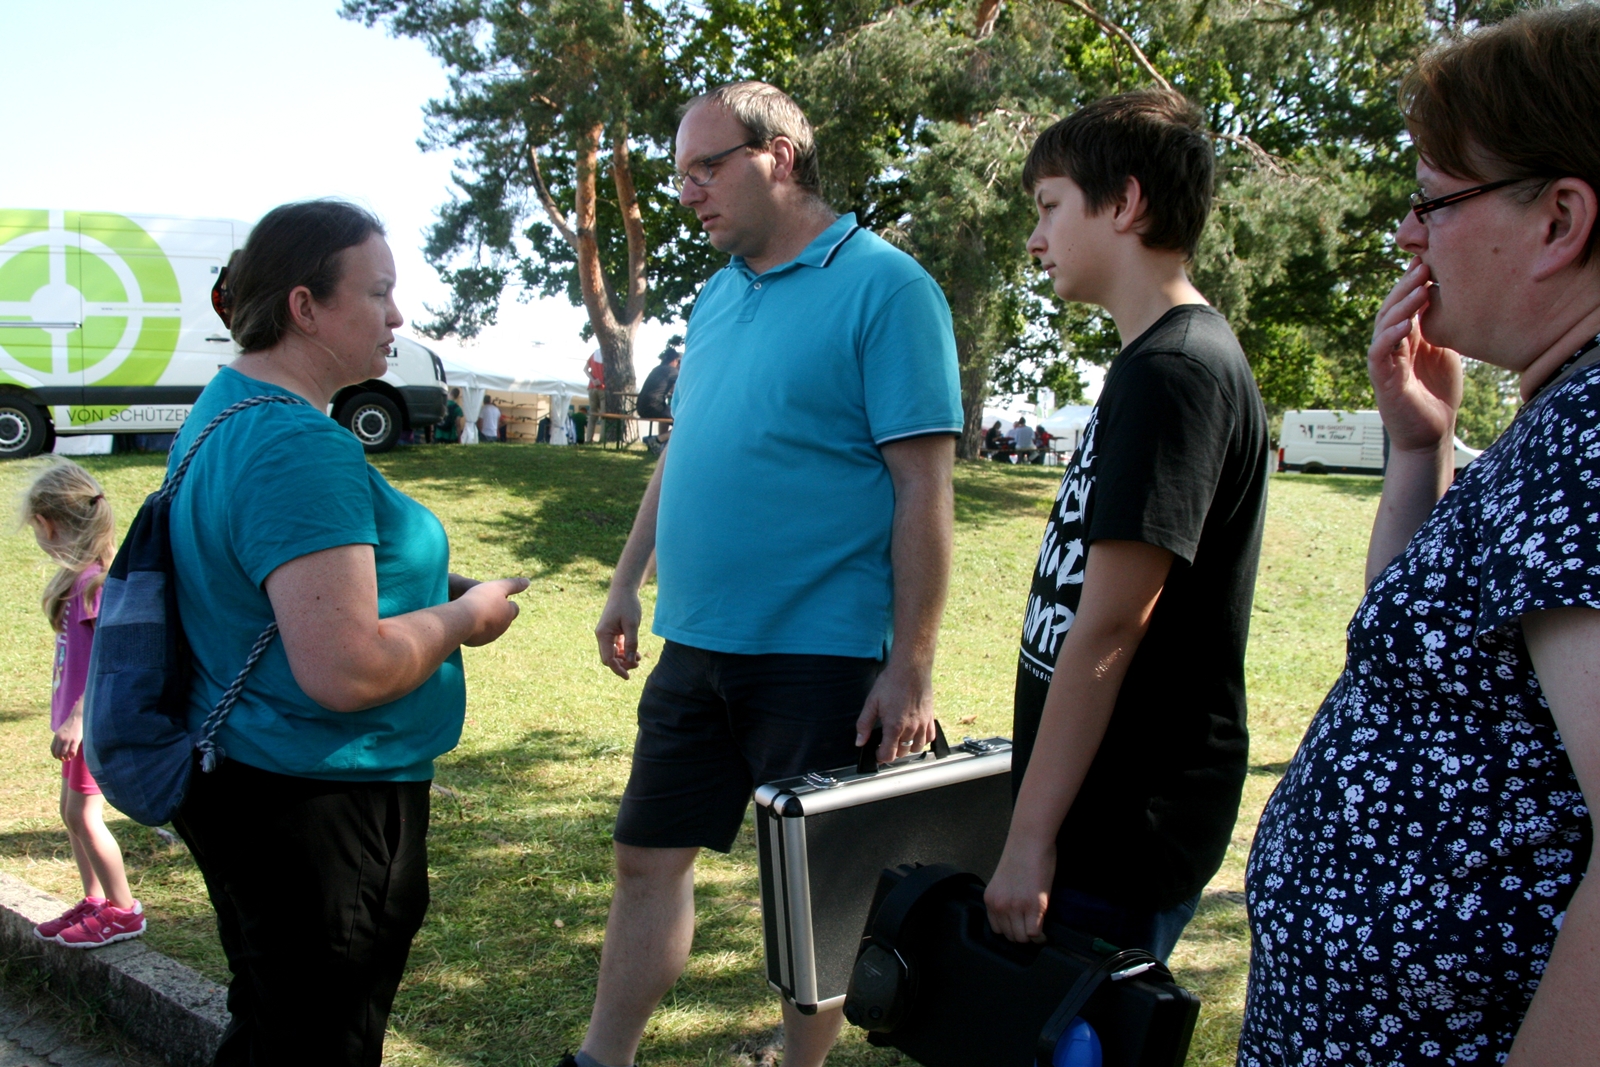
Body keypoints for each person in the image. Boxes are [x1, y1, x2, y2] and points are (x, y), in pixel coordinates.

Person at [574, 81, 962, 1067]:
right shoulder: (716, 296)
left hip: (821, 654)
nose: (687, 193)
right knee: (643, 859)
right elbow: (686, 448)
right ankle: (600, 1058)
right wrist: (627, 578)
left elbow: (923, 487)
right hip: (695, 643)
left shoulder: (889, 288)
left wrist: (911, 665)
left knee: (811, 895)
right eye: (680, 174)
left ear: (778, 157)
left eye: (705, 168)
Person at [1239, 9, 1600, 1064]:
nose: (1408, 234)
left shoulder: (1588, 439)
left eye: (1433, 201)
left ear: (1559, 219)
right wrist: (1418, 446)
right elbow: (1417, 670)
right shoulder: (1558, 421)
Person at [165, 200, 528, 1066]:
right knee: (320, 1043)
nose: (397, 316)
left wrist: (429, 585)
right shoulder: (300, 445)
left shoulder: (226, 407)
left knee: (274, 1023)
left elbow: (268, 576)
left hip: (244, 780)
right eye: (378, 292)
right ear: (305, 306)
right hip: (320, 800)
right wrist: (465, 618)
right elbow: (347, 669)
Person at [983, 90, 1270, 963]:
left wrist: (1028, 838)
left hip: (1126, 822)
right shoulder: (1152, 362)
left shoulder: (1176, 371)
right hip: (1099, 807)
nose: (1035, 239)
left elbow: (1111, 624)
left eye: (1050, 206)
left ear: (1125, 203)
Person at [21, 460, 145, 949]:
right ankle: (94, 901)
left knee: (83, 817)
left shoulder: (94, 585)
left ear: (48, 523)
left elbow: (105, 661)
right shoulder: (78, 582)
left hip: (91, 724)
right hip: (77, 726)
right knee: (70, 813)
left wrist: (76, 718)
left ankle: (123, 909)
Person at [637, 346, 680, 453]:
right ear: (674, 360)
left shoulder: (657, 369)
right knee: (683, 421)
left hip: (640, 407)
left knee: (667, 412)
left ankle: (661, 443)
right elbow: (680, 390)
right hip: (654, 407)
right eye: (678, 362)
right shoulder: (672, 371)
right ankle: (657, 440)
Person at [585, 348, 606, 444]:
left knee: (592, 414)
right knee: (603, 415)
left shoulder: (594, 354)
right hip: (603, 388)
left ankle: (589, 439)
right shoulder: (608, 356)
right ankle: (602, 439)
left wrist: (593, 379)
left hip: (592, 387)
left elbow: (585, 369)